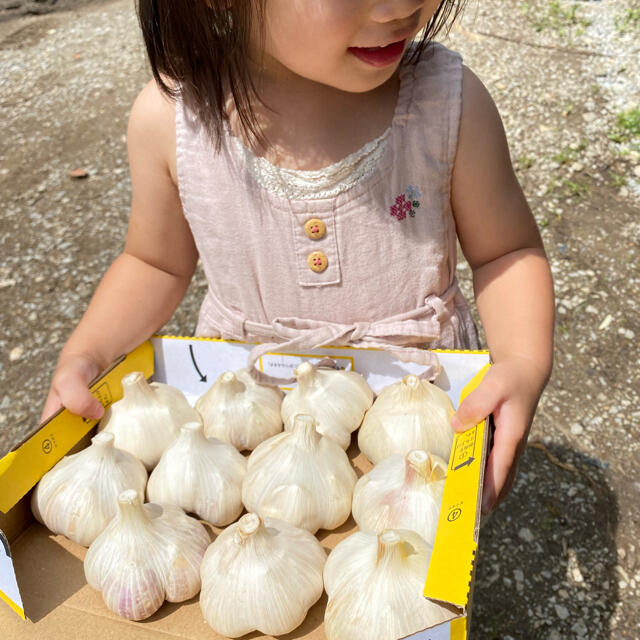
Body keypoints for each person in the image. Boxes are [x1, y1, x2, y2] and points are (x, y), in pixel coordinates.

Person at [41, 0, 554, 516]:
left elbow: (506, 251)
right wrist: (89, 352)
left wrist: (523, 361)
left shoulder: (447, 105)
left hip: (419, 408)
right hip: (246, 419)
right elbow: (154, 263)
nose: (402, 6)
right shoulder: (174, 120)